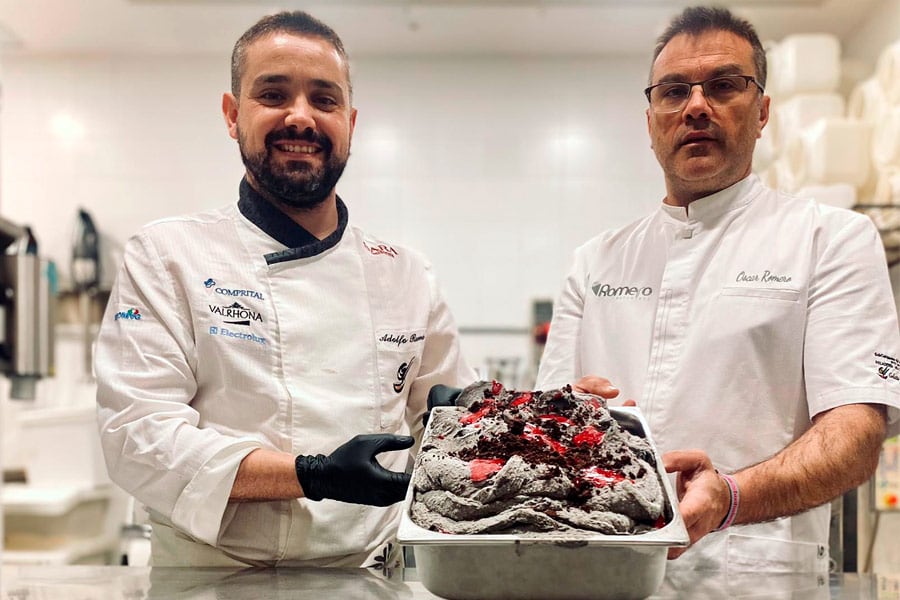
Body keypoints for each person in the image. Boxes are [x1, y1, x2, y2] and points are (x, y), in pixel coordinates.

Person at [95, 10, 473, 568]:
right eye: (273, 94)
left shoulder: (406, 273)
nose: (301, 118)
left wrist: (556, 415)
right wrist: (310, 475)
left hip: (369, 577)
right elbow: (137, 438)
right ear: (232, 114)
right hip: (212, 578)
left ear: (350, 119)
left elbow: (456, 423)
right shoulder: (166, 255)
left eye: (324, 100)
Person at [536, 6, 900, 572]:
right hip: (603, 573)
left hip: (756, 578)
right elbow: (547, 426)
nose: (696, 106)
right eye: (674, 91)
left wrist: (729, 498)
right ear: (651, 119)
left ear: (762, 112)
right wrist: (565, 422)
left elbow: (855, 435)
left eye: (724, 85)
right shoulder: (595, 262)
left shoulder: (831, 239)